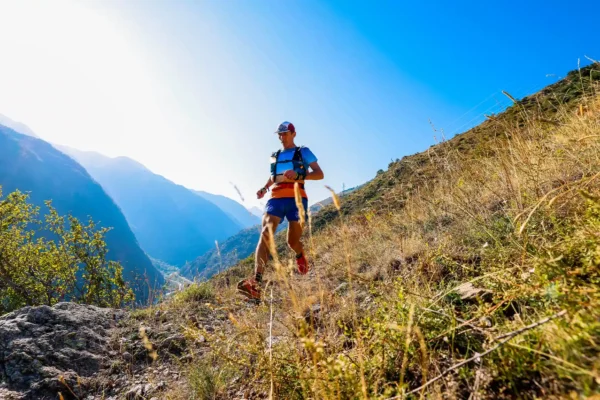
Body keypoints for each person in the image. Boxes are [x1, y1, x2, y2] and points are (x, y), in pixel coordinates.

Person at [237, 121, 324, 301]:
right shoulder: (275, 155)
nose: (281, 137)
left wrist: (299, 175)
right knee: (265, 234)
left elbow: (319, 173)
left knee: (292, 241)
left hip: (297, 198)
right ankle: (256, 284)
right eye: (279, 134)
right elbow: (273, 176)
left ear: (293, 134)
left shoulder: (303, 152)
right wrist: (264, 188)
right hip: (275, 198)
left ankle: (300, 256)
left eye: (285, 133)